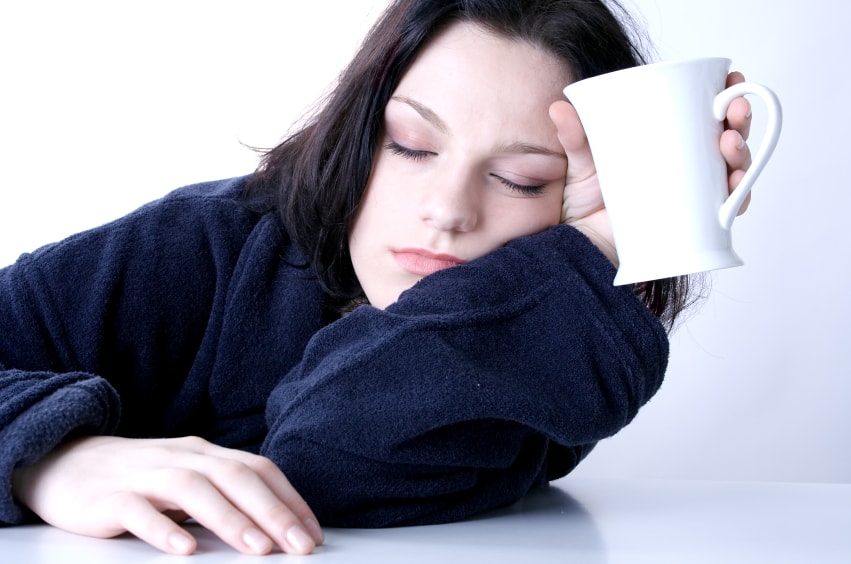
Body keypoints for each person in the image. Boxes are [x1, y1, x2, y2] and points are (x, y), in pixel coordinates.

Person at [0, 0, 754, 557]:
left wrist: (603, 245)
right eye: (411, 146)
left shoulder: (552, 321)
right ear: (360, 132)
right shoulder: (194, 245)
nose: (446, 210)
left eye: (522, 179)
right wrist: (50, 459)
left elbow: (322, 458)